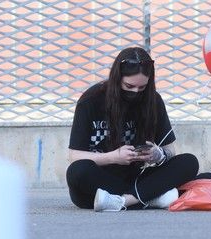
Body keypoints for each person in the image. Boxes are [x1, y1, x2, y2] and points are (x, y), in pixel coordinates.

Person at [66, 47, 199, 211]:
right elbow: (75, 156)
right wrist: (114, 157)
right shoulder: (91, 101)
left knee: (189, 162)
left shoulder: (153, 101)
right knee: (77, 171)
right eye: (129, 86)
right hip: (99, 183)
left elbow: (170, 150)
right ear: (117, 79)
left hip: (137, 178)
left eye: (141, 88)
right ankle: (150, 198)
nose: (135, 92)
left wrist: (159, 155)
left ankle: (124, 201)